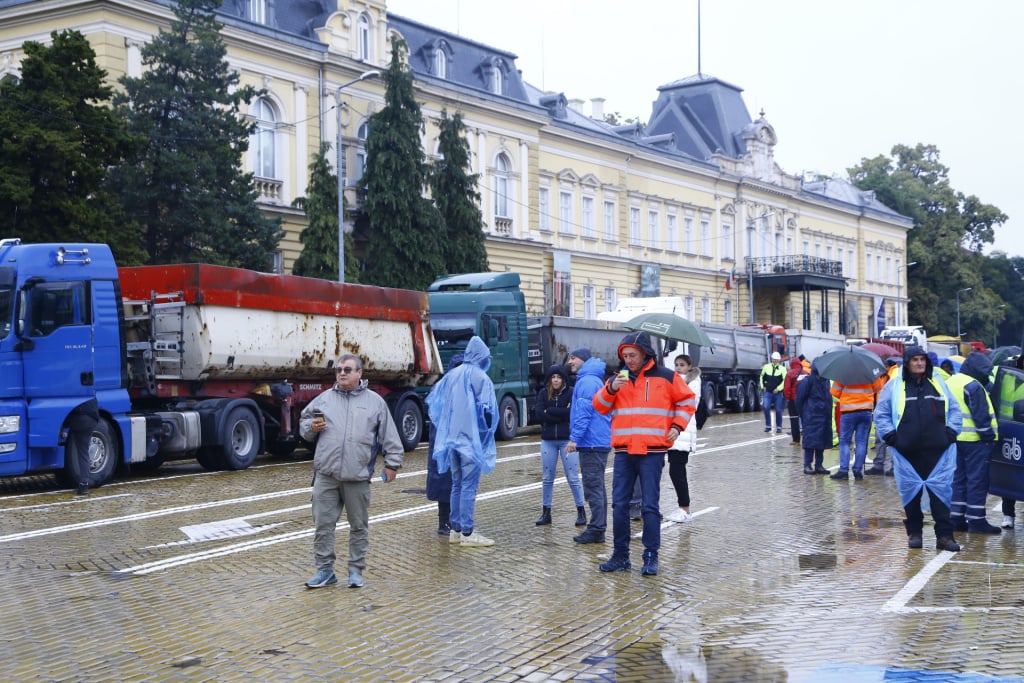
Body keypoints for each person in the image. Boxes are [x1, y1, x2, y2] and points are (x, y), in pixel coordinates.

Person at [594, 332, 696, 576]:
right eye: (624, 356)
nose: (628, 360)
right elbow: (599, 406)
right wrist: (609, 389)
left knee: (650, 506)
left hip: (652, 451)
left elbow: (687, 402)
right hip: (624, 450)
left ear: (644, 353)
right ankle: (620, 556)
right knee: (619, 505)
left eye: (632, 355)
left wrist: (676, 426)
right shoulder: (617, 379)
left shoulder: (666, 377)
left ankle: (651, 556)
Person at [300, 354, 405, 589]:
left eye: (347, 369)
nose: (342, 373)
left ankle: (355, 571)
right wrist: (309, 427)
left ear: (360, 373)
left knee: (358, 526)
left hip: (357, 476)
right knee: (323, 526)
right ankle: (325, 571)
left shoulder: (375, 402)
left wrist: (392, 464)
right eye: (339, 370)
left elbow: (389, 434)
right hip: (326, 475)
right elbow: (304, 424)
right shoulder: (324, 399)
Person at [874, 345, 962, 552]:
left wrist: (950, 433)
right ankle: (915, 533)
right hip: (908, 453)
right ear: (908, 363)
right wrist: (891, 437)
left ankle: (945, 537)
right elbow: (881, 414)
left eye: (922, 359)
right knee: (910, 497)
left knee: (940, 497)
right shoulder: (895, 386)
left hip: (938, 452)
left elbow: (955, 409)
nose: (919, 363)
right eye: (915, 360)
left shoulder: (938, 384)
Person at [426, 335, 499, 548]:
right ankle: (467, 532)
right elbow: (488, 411)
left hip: (451, 441)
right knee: (469, 486)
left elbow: (435, 405)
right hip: (470, 441)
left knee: (456, 484)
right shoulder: (481, 378)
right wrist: (485, 437)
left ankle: (455, 530)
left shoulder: (451, 376)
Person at [946, 351, 1002, 534]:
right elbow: (981, 416)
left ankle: (956, 518)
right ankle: (977, 521)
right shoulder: (973, 386)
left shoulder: (951, 382)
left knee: (958, 480)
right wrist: (988, 438)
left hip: (954, 439)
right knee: (977, 481)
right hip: (975, 442)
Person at [565, 348, 612, 544]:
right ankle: (598, 527)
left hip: (591, 442)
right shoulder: (593, 379)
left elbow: (584, 414)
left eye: (573, 358)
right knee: (597, 487)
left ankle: (596, 529)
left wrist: (574, 438)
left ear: (583, 360)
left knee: (593, 487)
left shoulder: (586, 381)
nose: (570, 362)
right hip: (597, 441)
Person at [534, 364, 586, 526]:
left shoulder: (571, 393)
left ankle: (581, 511)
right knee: (547, 478)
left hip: (567, 440)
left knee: (573, 477)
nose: (555, 380)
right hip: (548, 440)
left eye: (558, 377)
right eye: (553, 377)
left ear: (563, 379)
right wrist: (561, 413)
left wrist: (551, 411)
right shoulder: (543, 393)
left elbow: (572, 414)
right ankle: (546, 512)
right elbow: (539, 414)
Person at [425, 353, 464, 536]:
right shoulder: (443, 389)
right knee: (446, 482)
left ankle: (456, 519)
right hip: (445, 443)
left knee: (458, 483)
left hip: (459, 442)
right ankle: (445, 522)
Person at [829, 373, 886, 481]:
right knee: (861, 442)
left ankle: (843, 471)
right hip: (866, 411)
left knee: (845, 442)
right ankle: (857, 470)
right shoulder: (870, 372)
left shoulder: (844, 373)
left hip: (848, 411)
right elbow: (878, 388)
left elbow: (834, 392)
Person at [666, 354, 702, 522]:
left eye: (682, 365)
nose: (678, 367)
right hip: (671, 431)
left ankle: (684, 508)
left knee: (677, 471)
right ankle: (682, 507)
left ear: (689, 366)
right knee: (673, 470)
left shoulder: (693, 382)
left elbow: (687, 402)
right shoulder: (676, 380)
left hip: (683, 432)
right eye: (676, 365)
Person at [795, 361, 832, 474]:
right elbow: (799, 399)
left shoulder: (826, 381)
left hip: (824, 416)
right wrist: (803, 414)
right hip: (811, 416)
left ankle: (819, 465)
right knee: (810, 441)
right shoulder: (808, 380)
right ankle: (807, 465)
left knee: (821, 441)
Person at [865, 358, 901, 476]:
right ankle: (879, 465)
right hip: (882, 411)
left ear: (886, 366)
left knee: (891, 440)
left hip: (891, 411)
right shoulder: (884, 375)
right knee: (880, 439)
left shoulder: (894, 373)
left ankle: (892, 466)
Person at [67, 398, 99, 495]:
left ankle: (83, 483)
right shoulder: (89, 392)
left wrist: (63, 427)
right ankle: (84, 484)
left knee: (80, 451)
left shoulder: (74, 392)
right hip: (91, 420)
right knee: (84, 453)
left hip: (78, 419)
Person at [783, 357, 808, 445]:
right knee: (806, 419)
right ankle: (807, 439)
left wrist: (788, 398)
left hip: (793, 401)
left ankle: (796, 440)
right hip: (805, 400)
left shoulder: (790, 374)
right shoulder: (806, 373)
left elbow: (787, 388)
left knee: (794, 420)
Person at [759, 351, 786, 433]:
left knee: (778, 410)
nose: (775, 361)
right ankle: (768, 426)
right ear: (772, 359)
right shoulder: (766, 367)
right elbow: (762, 377)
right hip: (768, 392)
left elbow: (784, 381)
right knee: (766, 407)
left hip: (778, 393)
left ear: (779, 360)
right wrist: (762, 386)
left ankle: (779, 427)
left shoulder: (782, 369)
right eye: (774, 359)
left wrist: (778, 388)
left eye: (777, 360)